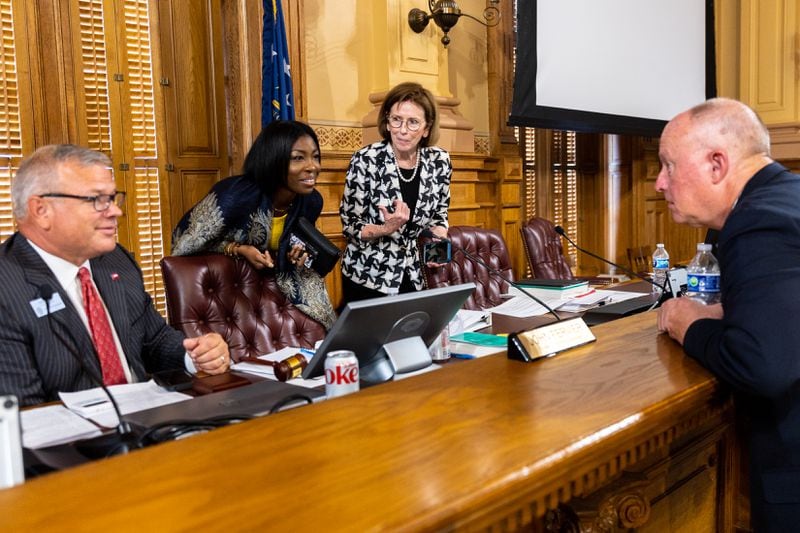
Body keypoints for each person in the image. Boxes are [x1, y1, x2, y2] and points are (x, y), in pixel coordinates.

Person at [655, 97, 800, 531]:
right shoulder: (788, 194)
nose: (660, 183)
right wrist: (732, 309)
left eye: (669, 166)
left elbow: (762, 364)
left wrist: (689, 322)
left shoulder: (757, 221)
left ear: (717, 164)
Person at [0, 144, 230, 407]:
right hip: (74, 441)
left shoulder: (115, 261)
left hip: (148, 421)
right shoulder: (7, 287)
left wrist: (196, 355)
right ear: (42, 211)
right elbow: (24, 414)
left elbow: (154, 340)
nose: (115, 211)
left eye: (112, 198)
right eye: (97, 200)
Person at [172, 120, 335, 329]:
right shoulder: (235, 196)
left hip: (278, 294)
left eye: (316, 157)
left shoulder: (312, 201)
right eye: (298, 158)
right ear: (274, 160)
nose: (313, 167)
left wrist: (296, 253)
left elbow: (294, 242)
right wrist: (238, 249)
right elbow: (183, 245)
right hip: (231, 299)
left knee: (332, 338)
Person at [339, 82, 452, 303]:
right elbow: (350, 225)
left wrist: (437, 252)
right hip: (368, 275)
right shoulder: (366, 160)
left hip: (412, 273)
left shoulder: (440, 161)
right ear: (387, 122)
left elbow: (439, 214)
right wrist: (386, 228)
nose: (402, 130)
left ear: (426, 128)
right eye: (396, 119)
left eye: (413, 123)